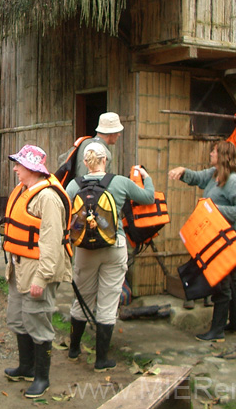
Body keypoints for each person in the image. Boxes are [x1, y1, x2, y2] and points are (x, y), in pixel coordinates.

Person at [66, 142, 155, 371]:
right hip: (115, 246)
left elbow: (65, 212)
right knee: (108, 300)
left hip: (85, 250)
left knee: (82, 297)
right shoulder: (120, 183)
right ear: (105, 159)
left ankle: (74, 349)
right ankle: (101, 360)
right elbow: (148, 198)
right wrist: (146, 176)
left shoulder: (74, 186)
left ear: (85, 163)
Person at [2, 144, 73, 399]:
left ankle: (42, 377)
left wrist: (41, 278)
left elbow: (52, 243)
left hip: (38, 270)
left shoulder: (48, 197)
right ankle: (26, 367)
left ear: (32, 168)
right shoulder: (23, 191)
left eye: (19, 165)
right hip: (19, 266)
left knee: (37, 319)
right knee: (19, 317)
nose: (15, 169)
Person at [169, 140, 236, 342]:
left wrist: (214, 209)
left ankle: (217, 331)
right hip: (219, 239)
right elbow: (197, 177)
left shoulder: (233, 181)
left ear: (222, 155)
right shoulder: (215, 175)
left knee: (222, 284)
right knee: (233, 283)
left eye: (214, 151)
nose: (211, 154)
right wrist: (182, 171)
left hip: (229, 242)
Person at [59, 112, 124, 177]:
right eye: (118, 132)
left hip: (75, 185)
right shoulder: (104, 153)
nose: (119, 134)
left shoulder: (83, 142)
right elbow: (103, 181)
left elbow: (61, 159)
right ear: (112, 133)